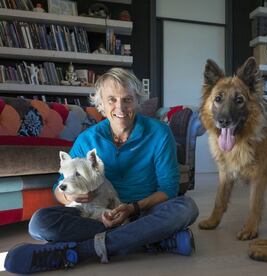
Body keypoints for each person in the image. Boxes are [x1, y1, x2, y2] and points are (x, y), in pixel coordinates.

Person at [5, 68, 199, 274]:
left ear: (137, 101)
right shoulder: (87, 139)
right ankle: (149, 240)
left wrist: (132, 208)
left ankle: (82, 251)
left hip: (142, 212)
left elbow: (168, 188)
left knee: (186, 207)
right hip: (95, 216)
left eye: (127, 99)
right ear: (101, 105)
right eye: (112, 100)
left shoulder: (160, 133)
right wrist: (70, 195)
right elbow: (58, 188)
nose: (120, 108)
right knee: (39, 223)